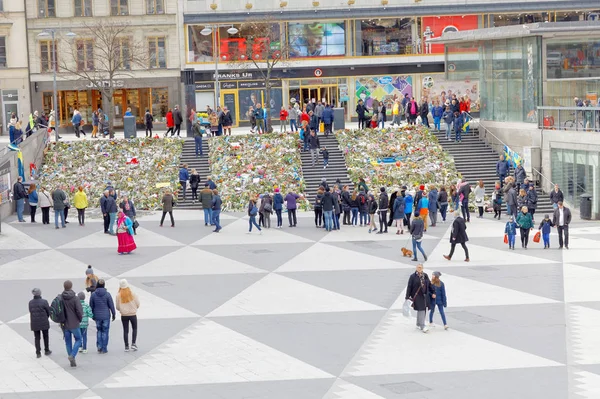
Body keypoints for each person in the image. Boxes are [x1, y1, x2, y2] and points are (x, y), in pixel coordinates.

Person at [89, 279, 115, 354]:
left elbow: (91, 305)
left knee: (99, 331)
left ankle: (99, 347)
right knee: (105, 331)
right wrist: (113, 314)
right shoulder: (107, 294)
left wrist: (92, 315)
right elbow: (111, 305)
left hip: (97, 316)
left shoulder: (93, 294)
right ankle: (104, 348)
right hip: (106, 316)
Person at [405, 264, 433, 333]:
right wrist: (407, 296)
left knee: (421, 309)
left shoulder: (425, 275)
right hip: (417, 295)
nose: (419, 268)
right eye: (418, 267)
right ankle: (422, 325)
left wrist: (433, 292)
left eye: (420, 267)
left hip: (424, 295)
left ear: (423, 268)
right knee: (422, 309)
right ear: (416, 268)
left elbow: (429, 284)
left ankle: (418, 323)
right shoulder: (412, 276)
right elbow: (409, 286)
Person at [62, 280, 83, 367]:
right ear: (71, 287)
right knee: (78, 339)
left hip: (65, 323)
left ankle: (71, 359)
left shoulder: (61, 298)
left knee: (68, 342)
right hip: (74, 323)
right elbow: (79, 311)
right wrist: (80, 319)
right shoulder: (75, 298)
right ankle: (72, 355)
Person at [116, 279, 140, 352]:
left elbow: (117, 307)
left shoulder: (118, 295)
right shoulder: (133, 293)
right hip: (133, 314)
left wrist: (121, 310)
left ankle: (126, 346)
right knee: (134, 328)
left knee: (125, 330)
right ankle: (133, 343)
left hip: (124, 315)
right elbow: (138, 303)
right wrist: (134, 308)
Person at [29, 288, 52, 359]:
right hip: (44, 321)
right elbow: (48, 311)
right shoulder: (44, 302)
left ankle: (38, 352)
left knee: (37, 337)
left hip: (34, 322)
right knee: (45, 336)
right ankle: (47, 350)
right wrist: (46, 317)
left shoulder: (30, 302)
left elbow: (31, 311)